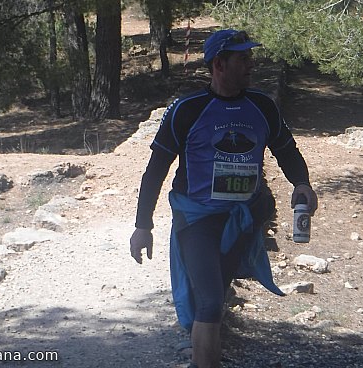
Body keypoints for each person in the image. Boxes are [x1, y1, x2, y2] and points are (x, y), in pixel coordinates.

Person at [130, 28, 318, 368]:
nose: (251, 64)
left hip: (243, 220)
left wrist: (301, 183)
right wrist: (143, 225)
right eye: (242, 59)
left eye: (250, 57)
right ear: (219, 64)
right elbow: (155, 169)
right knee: (210, 302)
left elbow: (286, 150)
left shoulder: (262, 106)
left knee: (219, 292)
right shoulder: (187, 110)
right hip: (197, 219)